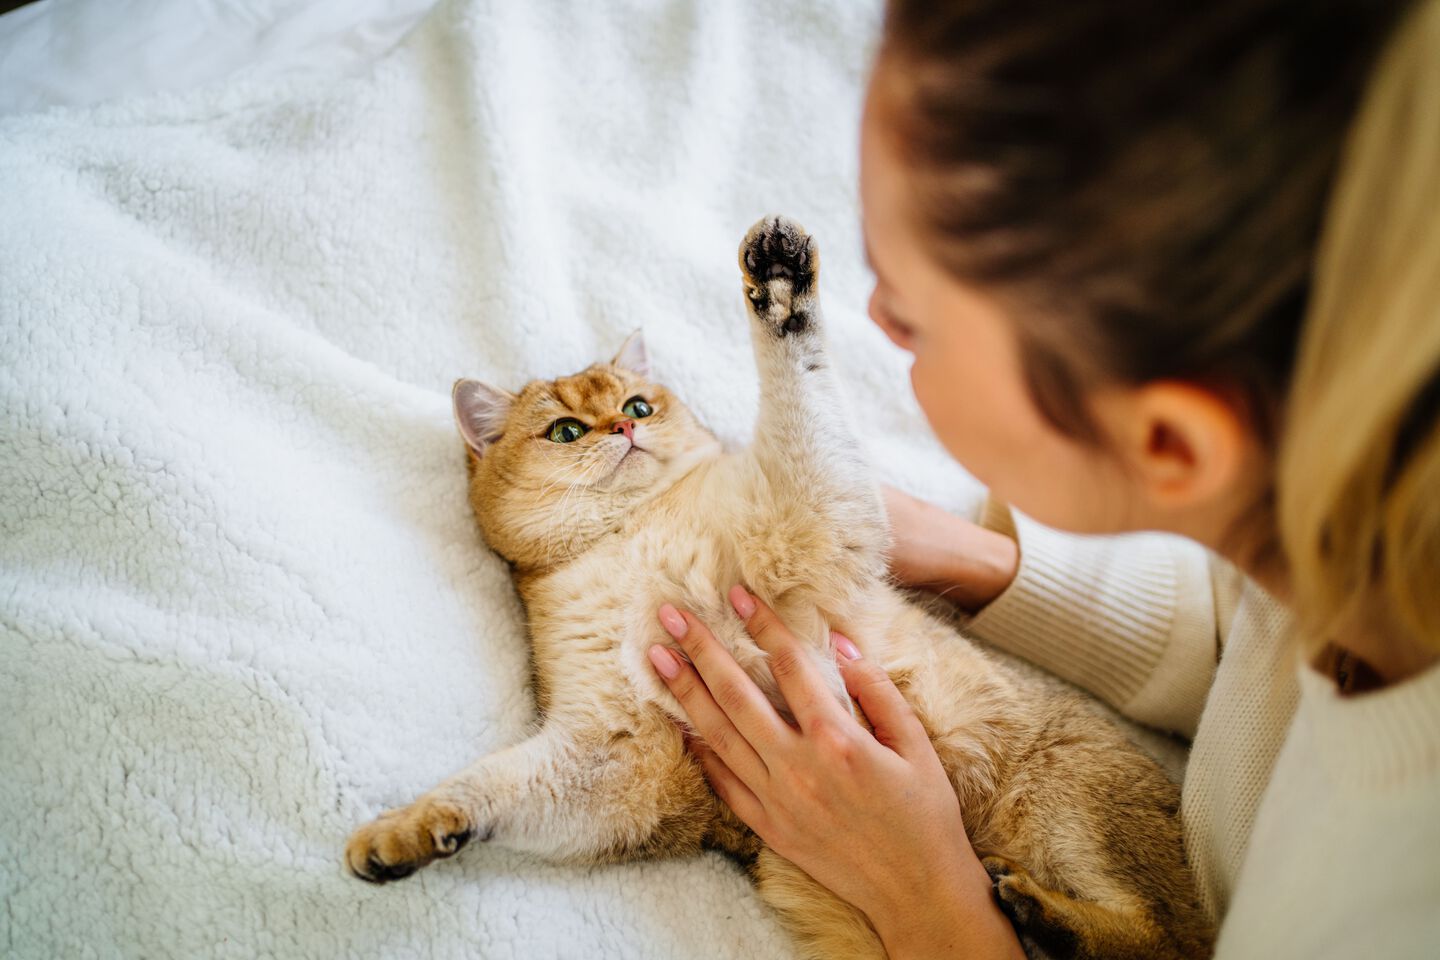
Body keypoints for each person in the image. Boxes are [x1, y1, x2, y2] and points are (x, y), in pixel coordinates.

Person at [645, 0, 1440, 956]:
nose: (879, 322)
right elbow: (1255, 639)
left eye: (917, 315)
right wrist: (984, 564)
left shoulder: (1391, 909)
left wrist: (930, 901)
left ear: (1171, 447)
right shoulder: (1353, 493)